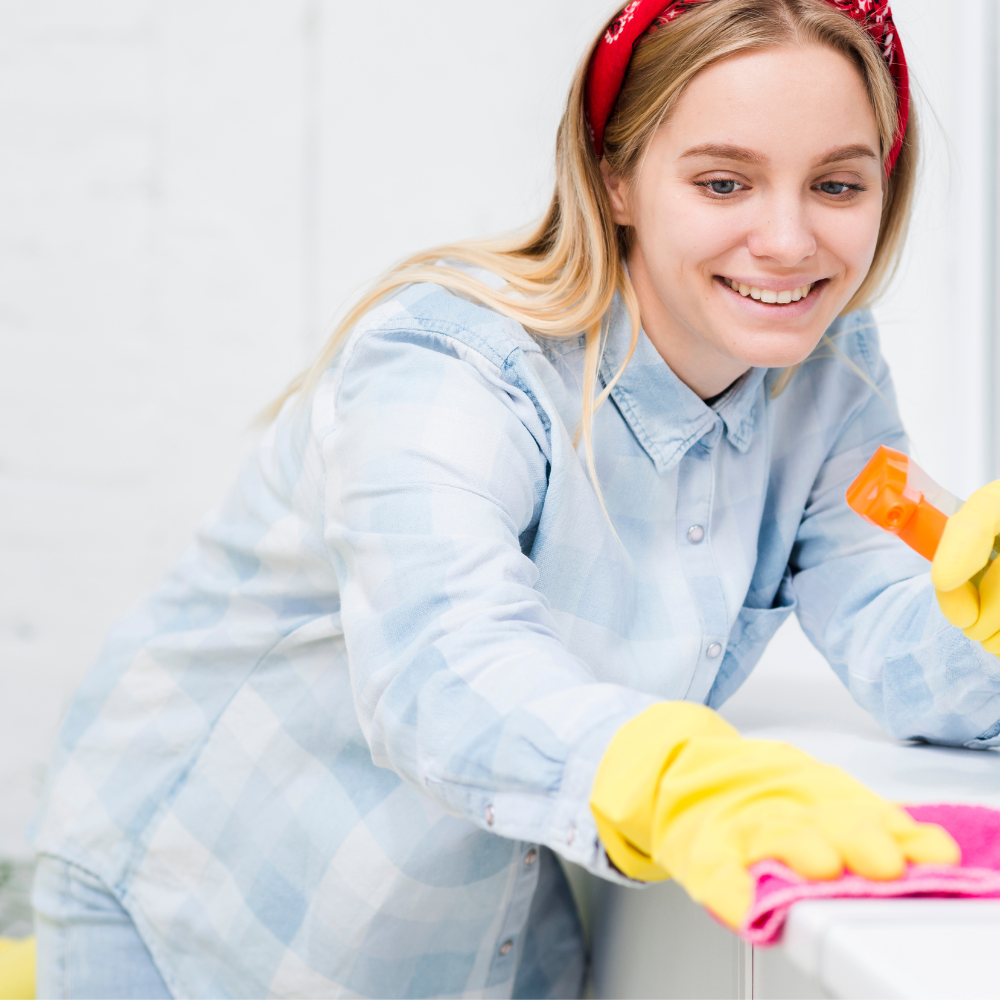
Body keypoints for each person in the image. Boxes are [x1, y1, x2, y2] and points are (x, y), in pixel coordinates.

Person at [27, 0, 1000, 997]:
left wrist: (985, 619)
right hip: (198, 908)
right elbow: (441, 664)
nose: (789, 240)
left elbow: (888, 626)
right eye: (722, 181)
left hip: (470, 939)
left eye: (836, 183)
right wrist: (664, 774)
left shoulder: (827, 376)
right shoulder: (451, 361)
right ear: (614, 175)